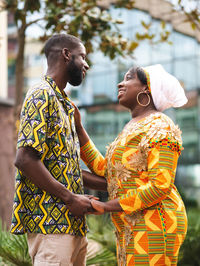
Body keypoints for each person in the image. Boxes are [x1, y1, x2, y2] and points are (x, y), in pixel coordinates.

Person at [75, 64, 188, 266]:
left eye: (128, 78)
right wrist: (79, 128)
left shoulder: (160, 125)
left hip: (156, 222)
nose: (121, 83)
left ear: (147, 88)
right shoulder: (131, 126)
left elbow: (160, 186)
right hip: (130, 223)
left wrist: (105, 206)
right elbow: (107, 170)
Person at [10, 33, 107, 266]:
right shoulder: (41, 93)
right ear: (67, 54)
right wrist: (69, 197)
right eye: (82, 57)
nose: (86, 64)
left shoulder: (64, 104)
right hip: (51, 227)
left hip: (72, 226)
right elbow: (25, 159)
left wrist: (114, 184)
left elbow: (67, 169)